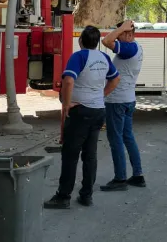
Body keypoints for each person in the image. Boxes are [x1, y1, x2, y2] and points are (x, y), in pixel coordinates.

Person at [45, 26, 120, 209]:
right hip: (98, 111)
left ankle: (63, 196)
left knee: (70, 154)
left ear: (81, 41)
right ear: (96, 41)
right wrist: (101, 95)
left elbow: (69, 80)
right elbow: (115, 79)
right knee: (90, 155)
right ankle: (86, 195)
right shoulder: (104, 58)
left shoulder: (78, 57)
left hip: (81, 111)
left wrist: (67, 104)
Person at [100, 20, 146, 191]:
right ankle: (137, 175)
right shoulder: (136, 47)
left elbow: (106, 41)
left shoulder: (129, 48)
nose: (117, 37)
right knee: (127, 137)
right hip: (127, 99)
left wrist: (121, 28)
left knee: (116, 139)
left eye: (120, 34)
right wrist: (122, 29)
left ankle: (120, 179)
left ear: (128, 34)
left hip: (117, 101)